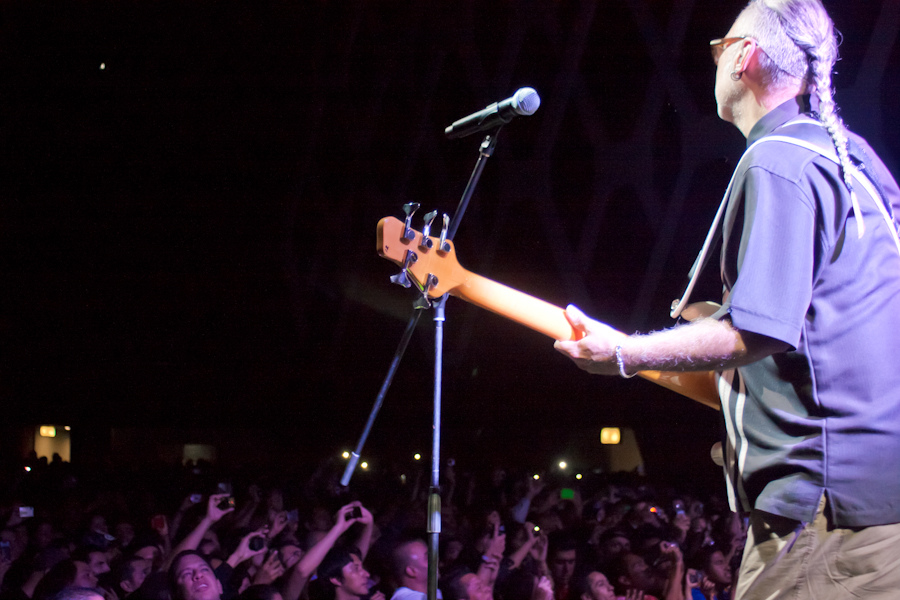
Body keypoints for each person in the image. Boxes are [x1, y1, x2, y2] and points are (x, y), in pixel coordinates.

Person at [553, 0, 900, 599]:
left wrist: (624, 353)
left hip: (823, 513)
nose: (713, 57)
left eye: (719, 46)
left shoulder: (778, 160)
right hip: (872, 499)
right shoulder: (855, 158)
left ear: (745, 56)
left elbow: (754, 332)